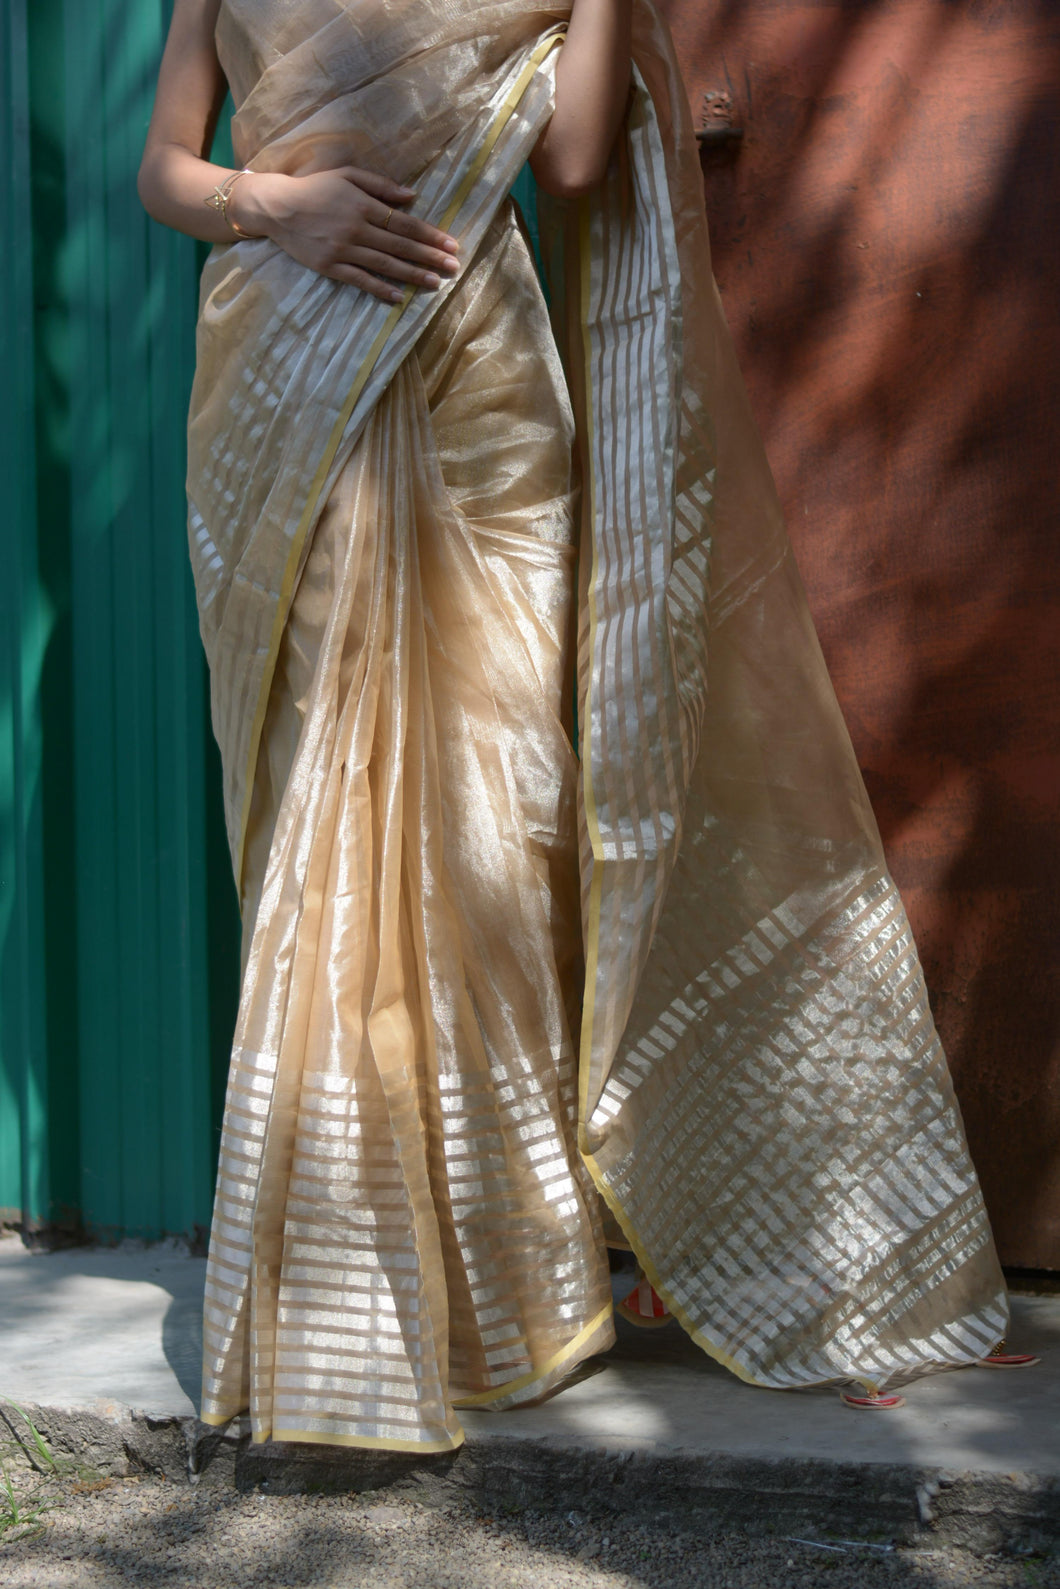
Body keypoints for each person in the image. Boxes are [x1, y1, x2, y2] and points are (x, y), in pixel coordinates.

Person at [138, 0, 1033, 1454]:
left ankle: (506, 1285)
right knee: (323, 813)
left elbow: (565, 162)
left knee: (503, 815)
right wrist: (277, 206)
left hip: (481, 384)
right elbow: (163, 171)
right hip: (287, 380)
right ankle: (344, 1298)